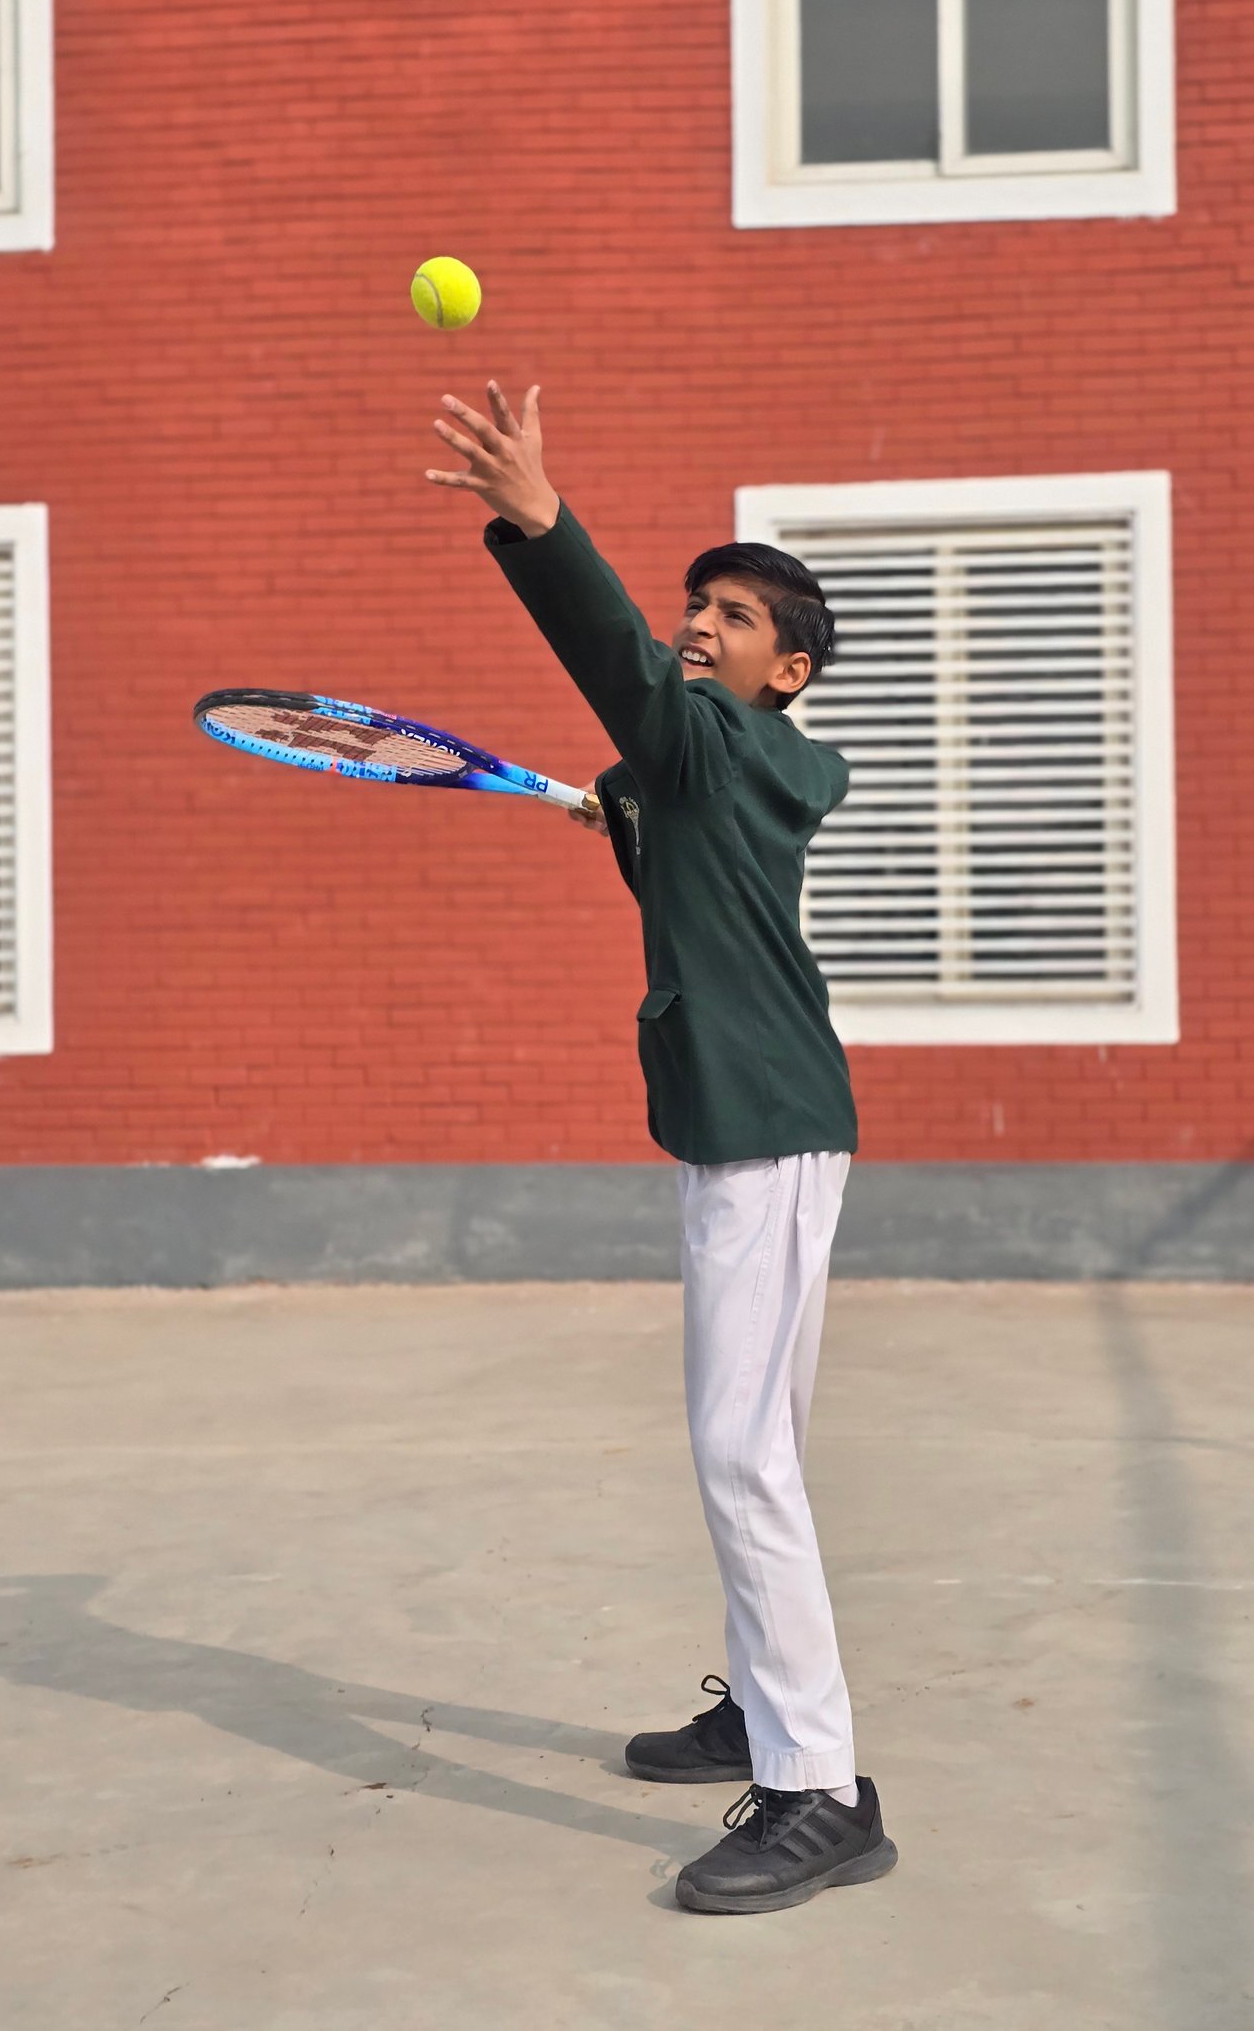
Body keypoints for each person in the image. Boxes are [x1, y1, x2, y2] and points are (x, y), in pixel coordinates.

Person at [426, 380, 897, 1915]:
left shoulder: (721, 748)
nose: (701, 623)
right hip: (757, 1123)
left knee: (742, 1453)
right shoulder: (726, 767)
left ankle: (821, 1789)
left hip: (761, 1131)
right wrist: (632, 810)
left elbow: (630, 682)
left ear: (788, 671)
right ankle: (761, 1710)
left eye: (735, 616)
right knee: (762, 1441)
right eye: (698, 604)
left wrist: (541, 521)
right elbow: (674, 799)